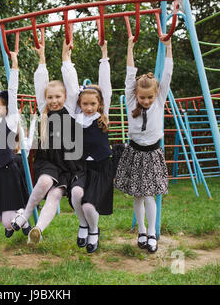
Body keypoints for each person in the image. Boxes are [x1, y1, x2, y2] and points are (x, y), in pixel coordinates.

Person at [11, 40, 84, 245]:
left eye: (58, 97)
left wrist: (65, 58)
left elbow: (70, 81)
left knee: (55, 195)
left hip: (68, 162)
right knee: (44, 182)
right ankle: (25, 214)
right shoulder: (44, 109)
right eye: (50, 97)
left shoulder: (70, 107)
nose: (54, 101)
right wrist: (41, 59)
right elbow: (40, 83)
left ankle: (38, 230)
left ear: (65, 97)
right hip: (48, 159)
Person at [114, 35, 173, 253]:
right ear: (136, 96)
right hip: (135, 152)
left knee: (149, 195)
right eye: (142, 98)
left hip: (152, 153)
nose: (146, 101)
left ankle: (152, 233)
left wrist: (169, 48)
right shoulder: (131, 100)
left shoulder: (159, 99)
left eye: (149, 98)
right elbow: (129, 76)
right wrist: (129, 46)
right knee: (138, 195)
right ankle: (141, 230)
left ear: (155, 95)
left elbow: (167, 74)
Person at [61, 40, 114, 253]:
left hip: (101, 167)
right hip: (81, 166)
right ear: (80, 104)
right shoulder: (76, 116)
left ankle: (93, 229)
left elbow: (106, 85)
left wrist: (104, 56)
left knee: (89, 205)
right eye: (85, 104)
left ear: (100, 104)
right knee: (75, 195)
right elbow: (72, 87)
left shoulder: (103, 115)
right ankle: (83, 224)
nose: (89, 107)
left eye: (93, 104)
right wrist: (67, 59)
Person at [0, 51, 31, 238]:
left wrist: (15, 64)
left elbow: (13, 91)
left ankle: (20, 219)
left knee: (7, 221)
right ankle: (12, 221)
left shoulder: (10, 120)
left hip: (8, 168)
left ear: (6, 108)